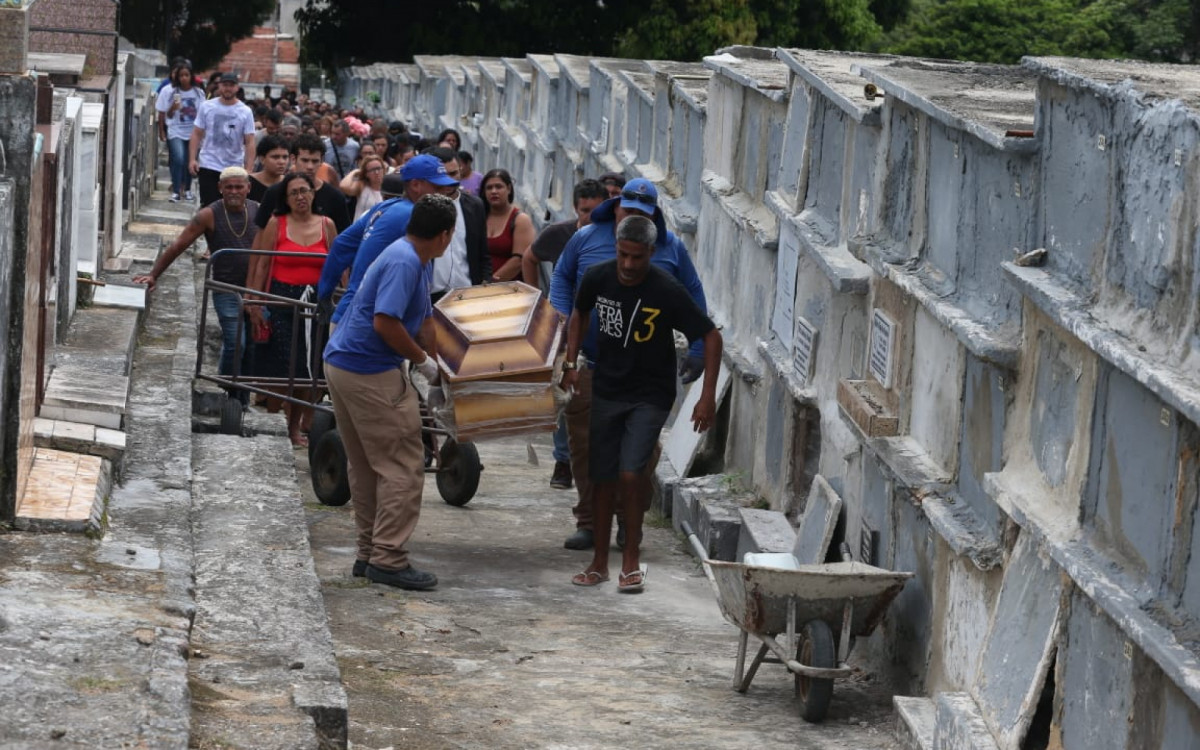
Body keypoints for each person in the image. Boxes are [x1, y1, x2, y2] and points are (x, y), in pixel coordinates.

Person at [551, 177, 709, 551]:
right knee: (585, 445)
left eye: (643, 212)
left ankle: (627, 520)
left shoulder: (670, 249)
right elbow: (561, 278)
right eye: (628, 209)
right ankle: (589, 522)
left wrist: (698, 348)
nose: (633, 216)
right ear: (615, 206)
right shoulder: (586, 239)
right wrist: (562, 327)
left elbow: (694, 295)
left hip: (646, 371)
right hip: (591, 363)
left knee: (640, 452)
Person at [322, 194, 458, 591]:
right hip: (367, 369)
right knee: (402, 464)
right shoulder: (404, 262)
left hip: (344, 363)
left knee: (366, 465)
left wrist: (438, 370)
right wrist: (423, 363)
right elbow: (385, 322)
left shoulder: (412, 256)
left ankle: (368, 553)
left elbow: (425, 320)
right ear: (445, 235)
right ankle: (389, 558)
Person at [133, 167, 259, 399]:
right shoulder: (209, 214)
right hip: (225, 289)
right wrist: (154, 275)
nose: (234, 192)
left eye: (239, 187)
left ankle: (241, 398)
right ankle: (228, 389)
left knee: (253, 345)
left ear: (248, 188)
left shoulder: (258, 211)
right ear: (220, 188)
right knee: (235, 342)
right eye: (229, 187)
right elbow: (179, 245)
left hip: (256, 290)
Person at [521, 178, 607, 490]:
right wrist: (537, 299)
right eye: (584, 211)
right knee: (564, 392)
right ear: (575, 209)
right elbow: (529, 257)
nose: (590, 217)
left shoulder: (610, 239)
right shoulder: (560, 234)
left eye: (596, 211)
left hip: (602, 331)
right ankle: (563, 461)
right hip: (563, 328)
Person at [246, 172, 337, 447]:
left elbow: (338, 266)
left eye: (304, 191)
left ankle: (295, 427)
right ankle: (274, 422)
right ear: (286, 198)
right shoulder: (277, 223)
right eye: (294, 192)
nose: (300, 197)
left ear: (313, 193)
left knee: (307, 369)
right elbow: (263, 264)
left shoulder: (327, 225)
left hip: (316, 302)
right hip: (281, 299)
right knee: (280, 367)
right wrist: (255, 301)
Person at [318, 155, 458, 326]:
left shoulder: (385, 206)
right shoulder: (415, 215)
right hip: (369, 324)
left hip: (347, 315)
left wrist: (325, 295)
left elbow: (341, 245)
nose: (443, 193)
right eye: (437, 187)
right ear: (415, 185)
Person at [253, 133, 351, 238]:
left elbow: (343, 237)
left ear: (321, 161)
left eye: (315, 161)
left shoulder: (334, 197)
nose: (310, 166)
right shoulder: (274, 193)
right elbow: (261, 235)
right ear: (293, 159)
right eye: (305, 160)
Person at [425, 147, 490, 301]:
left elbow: (483, 252)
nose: (449, 180)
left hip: (467, 293)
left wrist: (485, 283)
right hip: (431, 296)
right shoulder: (423, 207)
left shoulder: (475, 206)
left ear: (461, 171)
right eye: (443, 175)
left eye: (453, 173)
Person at [189, 72, 256, 208]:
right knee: (209, 205)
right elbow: (196, 133)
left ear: (237, 87)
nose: (228, 88)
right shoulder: (207, 106)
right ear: (219, 86)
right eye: (225, 85)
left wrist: (249, 168)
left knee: (231, 206)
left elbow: (250, 141)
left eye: (231, 85)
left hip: (234, 165)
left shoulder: (245, 111)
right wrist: (192, 159)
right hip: (209, 163)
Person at [156, 62, 205, 203]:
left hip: (193, 132)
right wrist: (173, 108)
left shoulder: (198, 93)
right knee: (178, 159)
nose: (184, 78)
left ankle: (187, 189)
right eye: (181, 75)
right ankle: (176, 191)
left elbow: (203, 114)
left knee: (190, 161)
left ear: (191, 76)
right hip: (175, 131)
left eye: (186, 75)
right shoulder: (170, 91)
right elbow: (166, 114)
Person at [481, 169, 534, 282]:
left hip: (510, 287)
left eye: (499, 187)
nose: (494, 191)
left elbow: (518, 261)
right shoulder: (479, 217)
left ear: (509, 189)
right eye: (489, 188)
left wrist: (490, 283)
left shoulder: (520, 220)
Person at [340, 154, 386, 220]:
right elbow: (343, 186)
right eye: (372, 170)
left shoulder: (388, 188)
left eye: (378, 168)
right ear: (366, 174)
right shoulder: (362, 186)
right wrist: (355, 172)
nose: (376, 172)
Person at [248, 134, 290, 203]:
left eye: (285, 157)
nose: (282, 162)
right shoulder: (248, 183)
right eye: (275, 157)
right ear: (262, 159)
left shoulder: (290, 184)